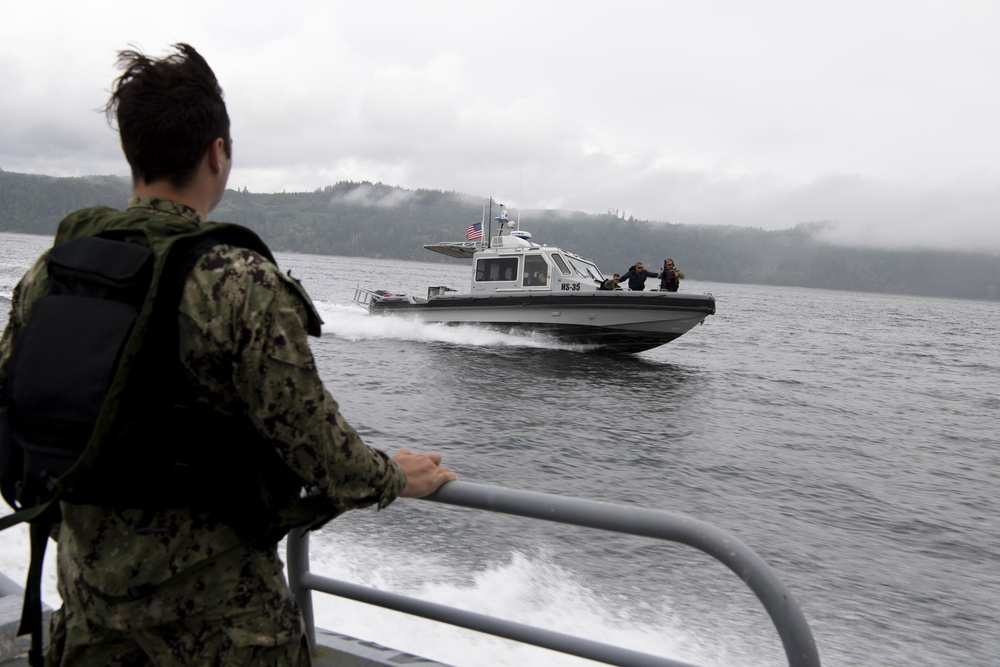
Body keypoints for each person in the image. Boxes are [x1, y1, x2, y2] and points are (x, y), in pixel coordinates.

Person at [0, 43, 456, 666]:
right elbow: (319, 451)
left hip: (89, 613)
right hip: (221, 626)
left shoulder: (49, 274)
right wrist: (397, 476)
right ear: (218, 153)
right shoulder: (236, 281)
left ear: (133, 153)